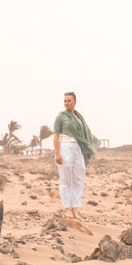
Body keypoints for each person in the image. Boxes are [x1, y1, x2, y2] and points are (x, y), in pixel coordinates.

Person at [53, 91, 100, 220]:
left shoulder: (79, 117)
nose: (66, 103)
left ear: (75, 102)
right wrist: (57, 153)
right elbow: (56, 136)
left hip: (77, 148)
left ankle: (75, 209)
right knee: (66, 179)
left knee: (79, 179)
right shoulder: (61, 117)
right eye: (65, 101)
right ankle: (67, 208)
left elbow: (84, 133)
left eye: (69, 100)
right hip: (64, 147)